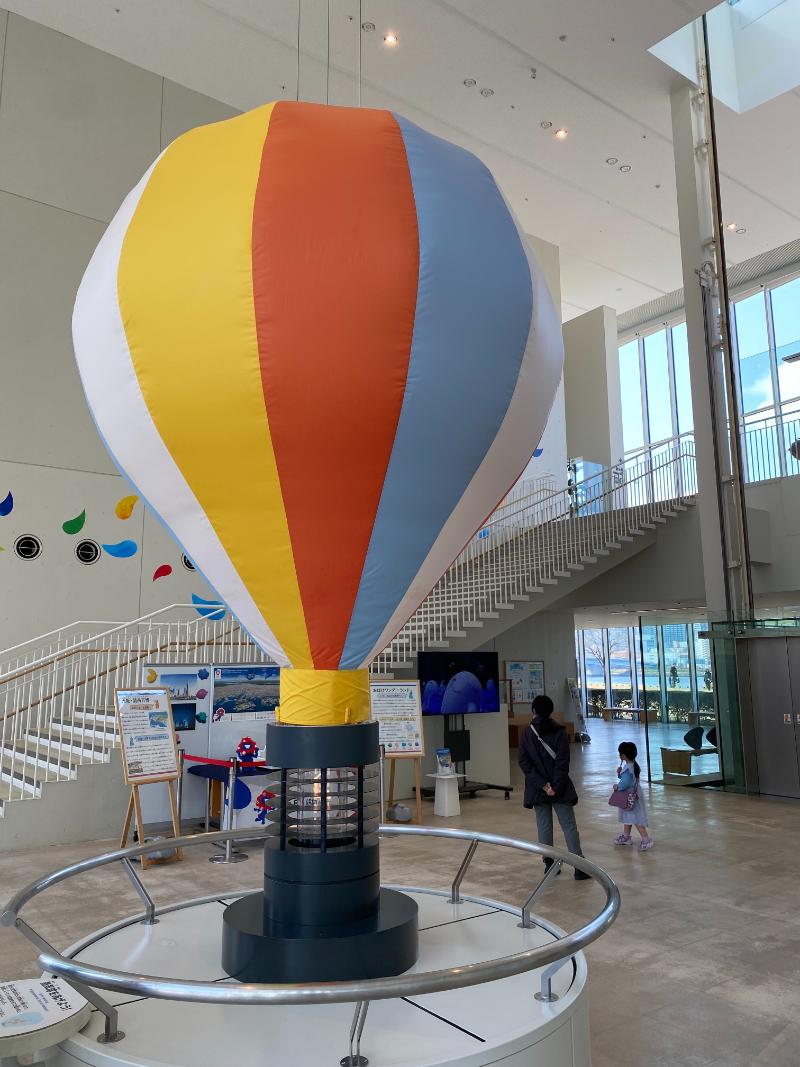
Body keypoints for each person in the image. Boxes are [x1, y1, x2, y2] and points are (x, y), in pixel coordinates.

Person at [518, 694, 590, 881]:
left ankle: (549, 864)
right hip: (560, 788)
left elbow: (524, 763)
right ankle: (579, 867)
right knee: (569, 826)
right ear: (550, 711)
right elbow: (563, 763)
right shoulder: (560, 732)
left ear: (533, 710)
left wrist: (543, 785)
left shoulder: (527, 733)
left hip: (538, 789)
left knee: (544, 826)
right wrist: (555, 786)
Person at [613, 741, 653, 851]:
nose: (619, 755)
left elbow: (625, 783)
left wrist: (617, 787)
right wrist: (619, 774)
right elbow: (629, 780)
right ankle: (626, 837)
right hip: (634, 795)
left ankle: (646, 840)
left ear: (624, 755)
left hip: (629, 797)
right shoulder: (633, 766)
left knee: (635, 818)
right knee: (628, 817)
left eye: (620, 753)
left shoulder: (628, 768)